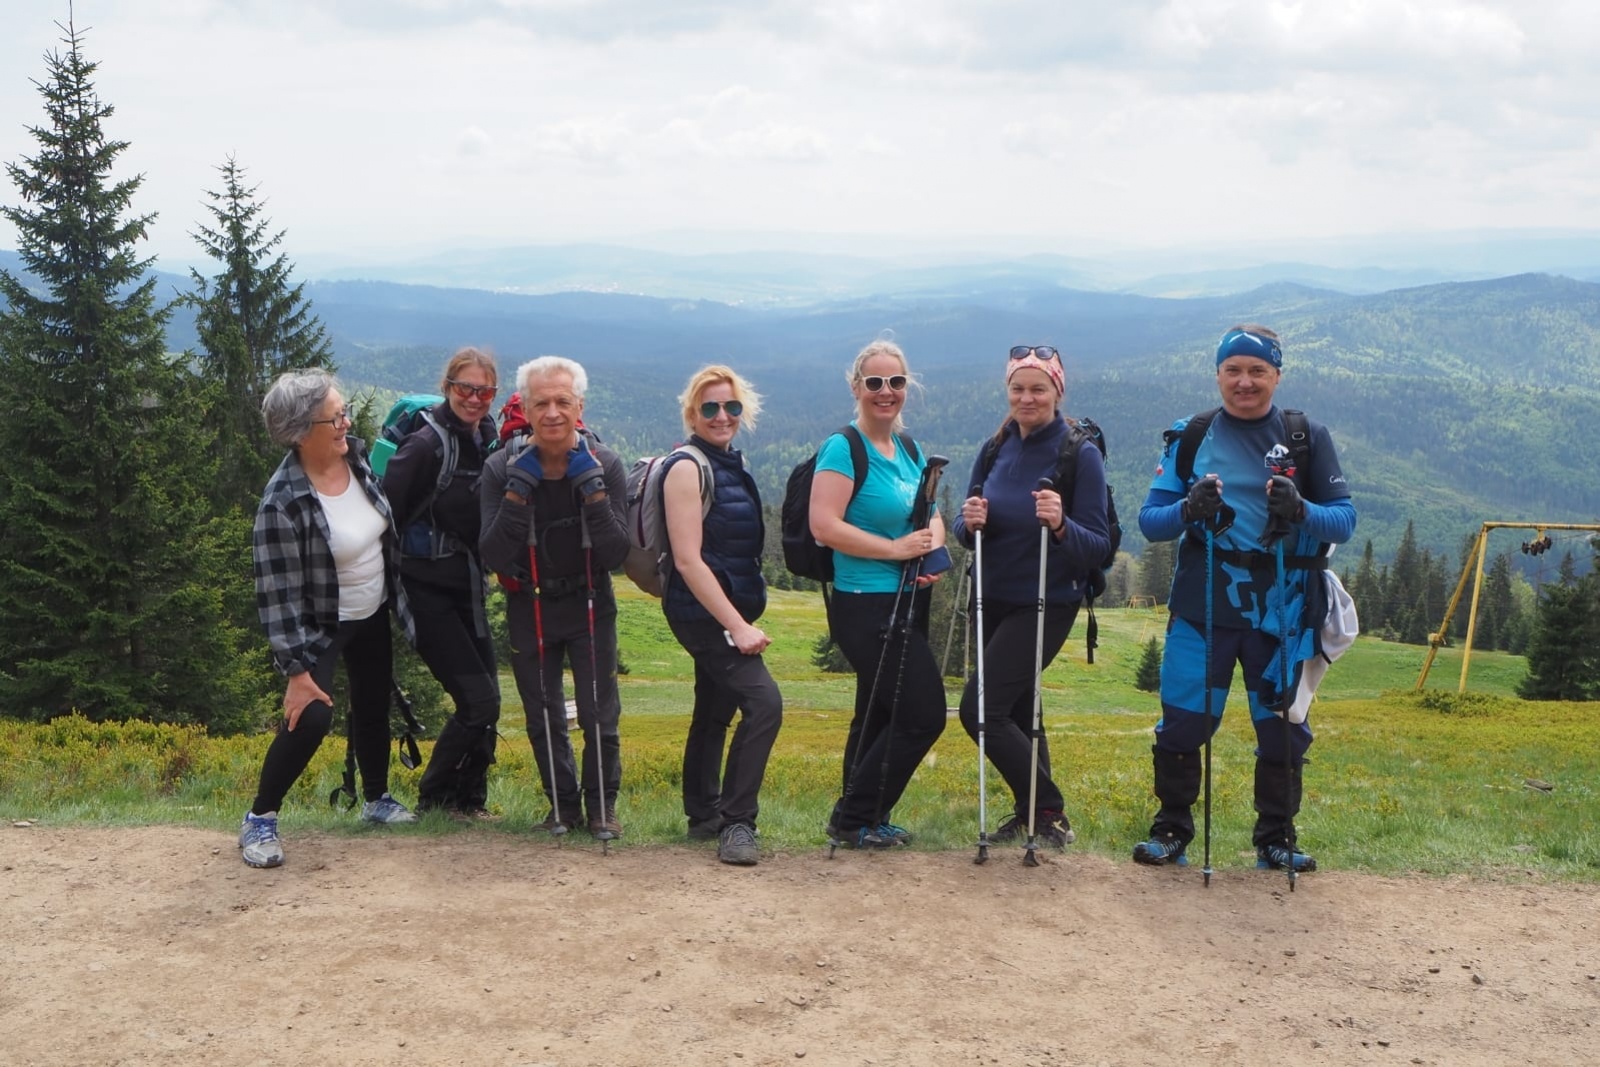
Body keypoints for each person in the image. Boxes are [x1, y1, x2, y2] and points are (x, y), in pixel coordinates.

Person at [1133, 325, 1356, 872]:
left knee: (1282, 729)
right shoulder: (1192, 436)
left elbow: (1344, 520)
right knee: (1184, 721)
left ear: (1277, 375)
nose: (1245, 381)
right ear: (1218, 375)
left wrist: (1301, 509)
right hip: (1203, 607)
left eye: (1257, 371)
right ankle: (1172, 830)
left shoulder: (1306, 436)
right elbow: (1150, 523)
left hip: (1282, 611)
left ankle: (1276, 838)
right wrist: (1189, 508)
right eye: (1233, 370)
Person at [241, 370, 418, 869]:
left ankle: (376, 799)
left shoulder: (356, 458)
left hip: (372, 608)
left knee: (372, 702)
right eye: (335, 416)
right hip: (322, 622)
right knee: (311, 715)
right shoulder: (282, 503)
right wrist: (296, 672)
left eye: (343, 412)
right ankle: (260, 818)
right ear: (300, 431)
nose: (347, 422)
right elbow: (275, 596)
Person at [951, 345, 1111, 849]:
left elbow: (1100, 546)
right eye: (1018, 388)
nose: (1027, 397)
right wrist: (965, 522)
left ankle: (1049, 807)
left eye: (1038, 388)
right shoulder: (994, 447)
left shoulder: (1078, 453)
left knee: (980, 711)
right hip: (991, 599)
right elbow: (966, 525)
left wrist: (1062, 523)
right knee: (1017, 714)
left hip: (1046, 601)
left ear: (1058, 391)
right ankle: (1035, 817)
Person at [479, 356, 629, 836]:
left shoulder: (605, 464)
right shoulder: (501, 469)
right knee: (542, 714)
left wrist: (595, 494)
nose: (552, 413)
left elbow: (616, 553)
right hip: (531, 604)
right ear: (524, 405)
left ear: (579, 405)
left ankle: (602, 808)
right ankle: (562, 808)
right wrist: (518, 495)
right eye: (540, 402)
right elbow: (494, 555)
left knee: (598, 712)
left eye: (562, 401)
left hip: (590, 601)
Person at [809, 339, 948, 850]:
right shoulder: (843, 448)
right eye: (874, 383)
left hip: (904, 599)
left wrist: (930, 550)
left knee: (881, 713)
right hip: (864, 603)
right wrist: (894, 551)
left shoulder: (908, 448)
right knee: (923, 713)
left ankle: (865, 818)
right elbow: (823, 525)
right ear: (856, 388)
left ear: (907, 387)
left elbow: (927, 511)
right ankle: (853, 816)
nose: (885, 392)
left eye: (896, 382)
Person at [660, 366, 784, 866]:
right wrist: (736, 625)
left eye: (731, 407)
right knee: (765, 704)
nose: (722, 416)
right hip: (702, 615)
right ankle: (737, 823)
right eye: (710, 407)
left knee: (714, 711)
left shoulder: (730, 462)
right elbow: (689, 560)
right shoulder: (688, 468)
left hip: (722, 610)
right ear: (693, 412)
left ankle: (704, 815)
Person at [382, 347, 502, 819]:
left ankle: (469, 802)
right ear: (448, 387)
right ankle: (435, 799)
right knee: (479, 699)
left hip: (467, 589)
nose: (474, 399)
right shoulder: (426, 446)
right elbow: (385, 514)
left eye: (484, 391)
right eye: (464, 389)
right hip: (424, 590)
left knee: (488, 695)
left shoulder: (486, 438)